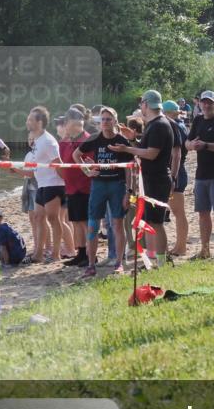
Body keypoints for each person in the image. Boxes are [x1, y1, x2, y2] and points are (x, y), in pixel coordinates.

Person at [111, 90, 175, 265]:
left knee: (157, 222)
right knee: (151, 221)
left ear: (146, 104)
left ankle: (162, 262)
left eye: (141, 104)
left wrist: (126, 148)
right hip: (151, 178)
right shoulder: (154, 124)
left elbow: (151, 153)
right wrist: (133, 140)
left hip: (157, 179)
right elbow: (146, 149)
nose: (141, 107)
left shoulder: (159, 125)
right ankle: (157, 260)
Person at [74, 106, 130, 277]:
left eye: (108, 119)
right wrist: (86, 171)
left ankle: (119, 263)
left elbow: (129, 168)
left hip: (117, 185)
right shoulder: (95, 138)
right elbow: (76, 155)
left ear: (115, 121)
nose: (105, 122)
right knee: (93, 225)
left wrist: (129, 191)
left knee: (117, 224)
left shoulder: (121, 140)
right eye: (102, 119)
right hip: (98, 185)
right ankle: (91, 265)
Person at [185, 91, 214, 259]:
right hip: (201, 174)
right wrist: (191, 145)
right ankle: (205, 250)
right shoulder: (198, 120)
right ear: (199, 103)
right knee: (203, 212)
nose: (206, 105)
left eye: (209, 102)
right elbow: (187, 142)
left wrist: (205, 145)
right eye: (204, 102)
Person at [26, 107, 66, 263]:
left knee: (53, 218)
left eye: (30, 119)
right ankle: (38, 253)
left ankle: (56, 254)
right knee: (38, 217)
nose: (27, 122)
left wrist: (66, 184)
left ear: (39, 122)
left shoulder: (48, 141)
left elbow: (58, 163)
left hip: (53, 184)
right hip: (42, 184)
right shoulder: (37, 140)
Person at [58, 109, 93, 267]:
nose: (64, 125)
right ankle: (81, 253)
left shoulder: (86, 140)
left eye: (66, 122)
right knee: (77, 222)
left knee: (85, 223)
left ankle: (90, 254)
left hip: (83, 187)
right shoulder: (70, 141)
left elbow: (90, 165)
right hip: (72, 188)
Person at [162, 100, 190, 256]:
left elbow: (177, 153)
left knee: (178, 212)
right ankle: (179, 246)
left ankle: (181, 246)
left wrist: (173, 175)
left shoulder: (175, 126)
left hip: (176, 170)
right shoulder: (180, 125)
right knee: (177, 212)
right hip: (177, 169)